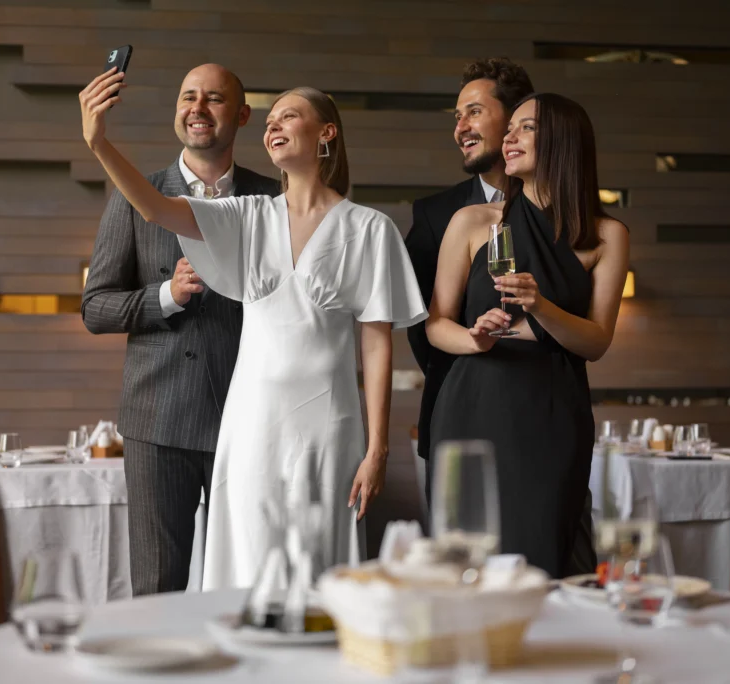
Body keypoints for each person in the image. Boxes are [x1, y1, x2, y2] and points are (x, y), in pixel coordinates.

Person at [79, 69, 428, 590]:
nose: (273, 127)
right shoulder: (247, 216)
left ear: (326, 132)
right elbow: (155, 208)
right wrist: (99, 142)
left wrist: (376, 449)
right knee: (245, 565)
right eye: (269, 121)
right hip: (249, 424)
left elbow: (377, 345)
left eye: (288, 115)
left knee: (318, 570)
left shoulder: (369, 228)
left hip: (328, 426)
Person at [81, 64, 279, 595]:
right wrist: (167, 296)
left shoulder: (273, 199)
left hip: (245, 419)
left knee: (241, 587)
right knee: (155, 587)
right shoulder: (134, 193)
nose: (198, 108)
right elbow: (95, 307)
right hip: (156, 422)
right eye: (188, 96)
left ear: (241, 115)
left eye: (213, 99)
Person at [426, 93, 630, 579]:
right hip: (472, 405)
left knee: (546, 558)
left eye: (526, 128)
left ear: (562, 141)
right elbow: (436, 324)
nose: (509, 137)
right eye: (510, 127)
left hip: (552, 415)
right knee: (467, 562)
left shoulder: (607, 236)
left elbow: (597, 341)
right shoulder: (472, 223)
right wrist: (475, 340)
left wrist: (542, 308)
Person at [404, 57, 533, 491]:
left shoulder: (563, 215)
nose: (460, 127)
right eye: (457, 117)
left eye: (474, 112)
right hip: (458, 412)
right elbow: (420, 323)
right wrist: (465, 374)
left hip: (543, 415)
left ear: (517, 121)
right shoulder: (436, 215)